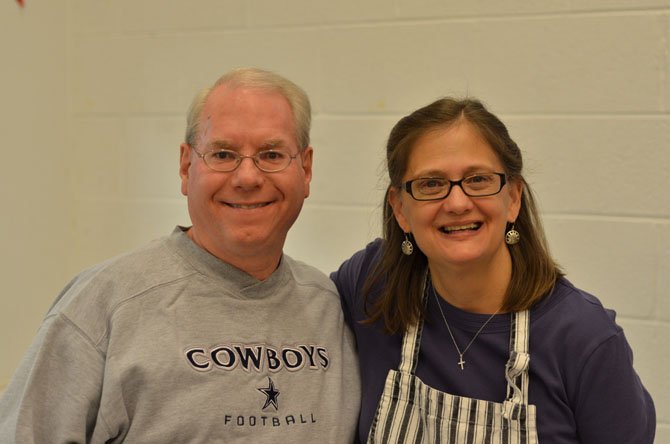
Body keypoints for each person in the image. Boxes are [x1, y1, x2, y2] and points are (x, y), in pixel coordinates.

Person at [0, 67, 360, 443]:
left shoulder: (329, 309)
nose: (248, 177)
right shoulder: (106, 304)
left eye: (272, 154)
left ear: (305, 169)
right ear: (187, 166)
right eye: (223, 154)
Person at [332, 97, 655, 443]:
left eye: (478, 179)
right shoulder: (372, 284)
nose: (457, 203)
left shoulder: (584, 339)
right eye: (431, 184)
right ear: (400, 209)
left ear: (513, 198)